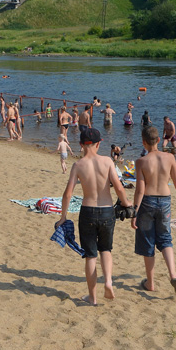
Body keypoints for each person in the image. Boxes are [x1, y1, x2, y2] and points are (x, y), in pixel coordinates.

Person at [56, 128, 132, 306]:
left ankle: (93, 297)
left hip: (88, 212)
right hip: (106, 211)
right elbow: (119, 187)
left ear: (81, 145)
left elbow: (67, 194)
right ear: (98, 144)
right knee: (106, 250)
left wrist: (63, 216)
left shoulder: (78, 165)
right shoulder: (107, 161)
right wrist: (126, 203)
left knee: (90, 256)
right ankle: (108, 282)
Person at [132, 126, 176, 294]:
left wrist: (134, 212)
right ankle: (173, 275)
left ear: (143, 142)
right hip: (165, 200)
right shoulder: (170, 157)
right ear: (159, 140)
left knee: (148, 241)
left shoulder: (141, 161)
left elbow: (140, 190)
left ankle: (150, 283)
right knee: (165, 238)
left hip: (147, 202)